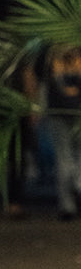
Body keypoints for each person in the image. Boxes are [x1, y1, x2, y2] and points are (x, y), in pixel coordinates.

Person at [42, 44, 81, 220]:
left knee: (67, 158)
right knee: (68, 158)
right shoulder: (53, 57)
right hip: (62, 113)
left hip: (68, 113)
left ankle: (69, 203)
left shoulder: (54, 56)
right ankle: (69, 202)